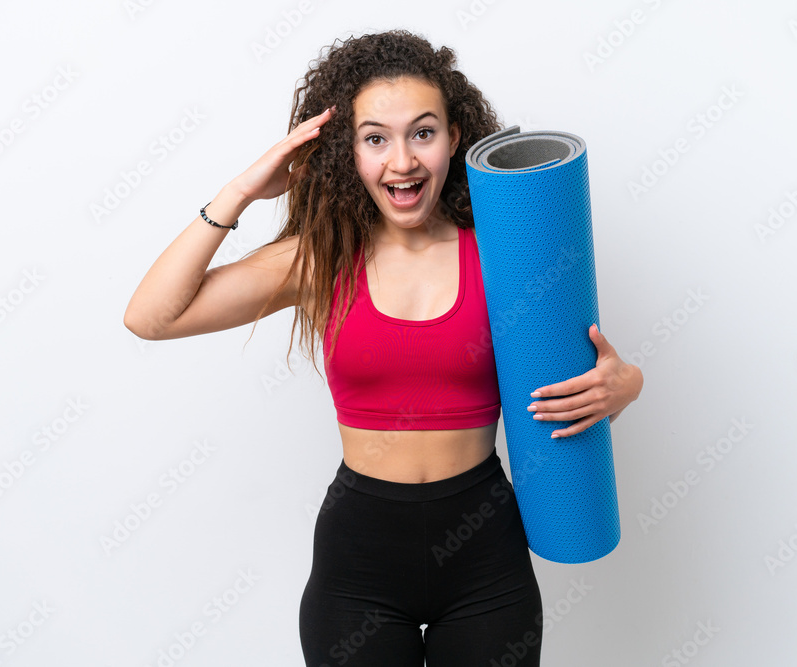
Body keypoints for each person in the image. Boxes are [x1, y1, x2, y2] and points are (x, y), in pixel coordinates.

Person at [124, 28, 643, 667]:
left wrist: (627, 385)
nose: (402, 161)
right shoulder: (320, 259)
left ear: (456, 137)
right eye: (377, 139)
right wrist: (241, 190)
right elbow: (152, 317)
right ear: (350, 152)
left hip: (486, 558)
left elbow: (568, 389)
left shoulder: (505, 257)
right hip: (358, 566)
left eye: (423, 133)